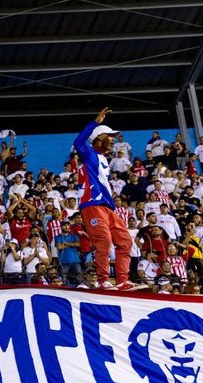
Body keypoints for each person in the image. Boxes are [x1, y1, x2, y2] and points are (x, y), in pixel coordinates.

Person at [73, 107, 145, 291]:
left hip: (107, 208)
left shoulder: (104, 159)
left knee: (125, 241)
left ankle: (122, 281)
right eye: (109, 135)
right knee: (104, 242)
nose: (113, 139)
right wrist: (96, 122)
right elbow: (78, 141)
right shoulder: (89, 154)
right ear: (98, 138)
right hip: (92, 206)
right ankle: (103, 281)